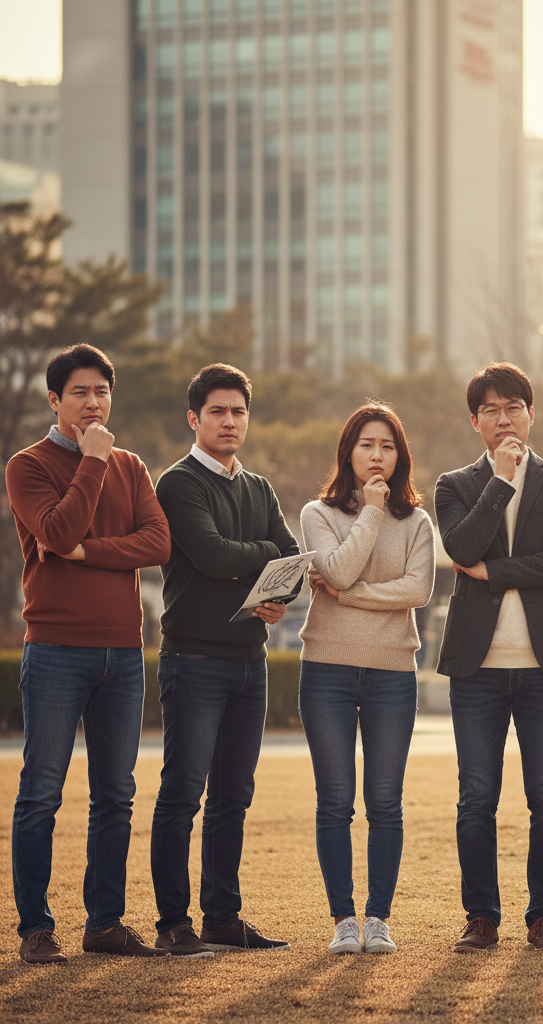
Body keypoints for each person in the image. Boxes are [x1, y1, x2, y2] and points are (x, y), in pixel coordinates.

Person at [6, 344, 172, 964]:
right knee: (42, 791)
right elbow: (57, 532)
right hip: (54, 649)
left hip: (123, 654)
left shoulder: (131, 465)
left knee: (116, 793)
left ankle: (104, 923)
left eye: (101, 391)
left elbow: (157, 542)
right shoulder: (28, 465)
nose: (93, 402)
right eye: (79, 392)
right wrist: (92, 464)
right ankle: (35, 930)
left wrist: (85, 553)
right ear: (54, 400)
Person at [434, 362, 543, 953]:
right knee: (477, 795)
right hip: (477, 667)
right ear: (475, 422)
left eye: (514, 407)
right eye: (491, 411)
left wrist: (495, 573)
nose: (504, 419)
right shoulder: (455, 485)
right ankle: (481, 917)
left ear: (532, 413)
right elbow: (461, 547)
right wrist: (499, 482)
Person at [149, 363, 301, 957]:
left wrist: (274, 594)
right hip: (193, 659)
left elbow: (293, 562)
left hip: (248, 659)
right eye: (217, 410)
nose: (230, 420)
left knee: (233, 795)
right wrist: (265, 561)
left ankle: (222, 918)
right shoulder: (179, 483)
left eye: (238, 410)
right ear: (194, 418)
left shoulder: (259, 487)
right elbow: (213, 555)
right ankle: (173, 925)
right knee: (183, 792)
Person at [298, 403, 435, 955]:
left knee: (385, 801)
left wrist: (348, 596)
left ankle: (378, 917)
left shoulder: (419, 521)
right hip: (326, 668)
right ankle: (344, 920)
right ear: (348, 453)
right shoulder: (318, 513)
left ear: (399, 455)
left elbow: (417, 590)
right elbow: (336, 567)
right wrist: (371, 514)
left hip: (392, 672)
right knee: (334, 800)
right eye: (366, 446)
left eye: (387, 446)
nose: (377, 456)